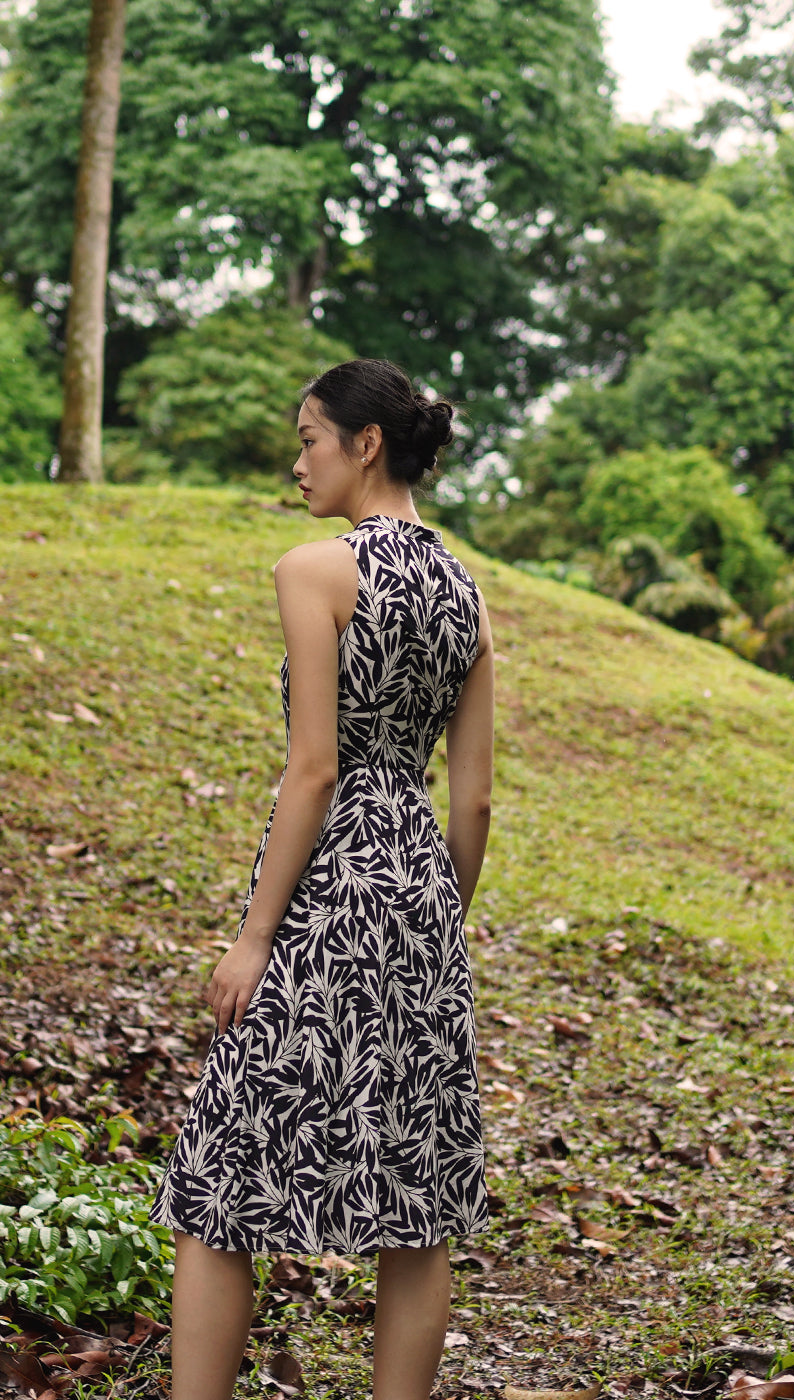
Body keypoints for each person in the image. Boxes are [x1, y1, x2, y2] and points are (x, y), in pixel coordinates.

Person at [149, 358, 494, 1400]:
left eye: (308, 438)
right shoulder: (467, 594)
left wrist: (254, 935)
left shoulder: (313, 569)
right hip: (424, 898)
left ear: (366, 443)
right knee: (417, 1193)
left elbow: (313, 764)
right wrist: (432, 923)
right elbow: (473, 802)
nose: (297, 459)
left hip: (328, 887)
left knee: (221, 1171)